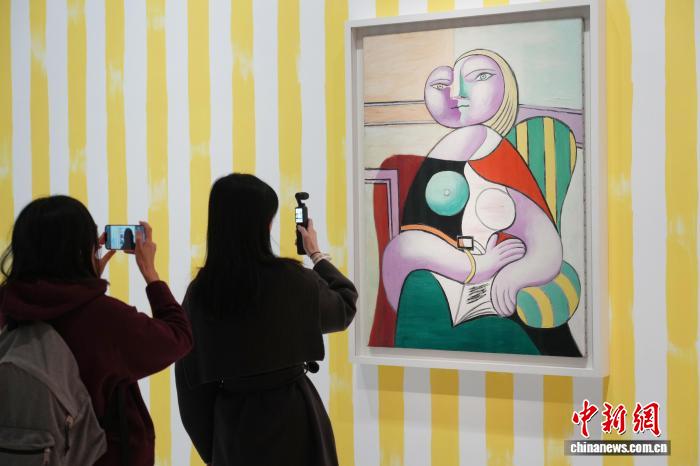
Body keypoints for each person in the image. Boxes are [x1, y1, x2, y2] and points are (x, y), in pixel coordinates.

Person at [379, 49, 581, 355]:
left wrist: (513, 276)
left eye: (480, 77)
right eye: (447, 83)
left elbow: (546, 244)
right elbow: (407, 245)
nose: (458, 92)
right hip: (440, 292)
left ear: (505, 90)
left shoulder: (496, 154)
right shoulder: (440, 158)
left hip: (494, 300)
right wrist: (472, 266)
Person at [175, 174, 357, 466]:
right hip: (295, 418)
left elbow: (190, 392)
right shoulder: (293, 281)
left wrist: (217, 449)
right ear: (264, 225)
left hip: (235, 426)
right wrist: (316, 254)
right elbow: (345, 305)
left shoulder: (201, 294)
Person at [0, 195, 193, 466]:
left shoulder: (8, 308)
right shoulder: (105, 319)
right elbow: (178, 337)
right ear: (84, 250)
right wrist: (150, 273)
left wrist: (86, 284)